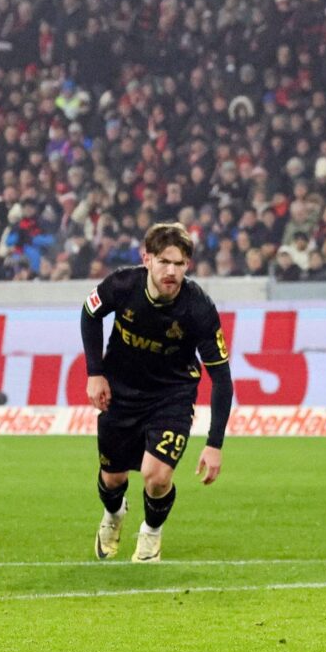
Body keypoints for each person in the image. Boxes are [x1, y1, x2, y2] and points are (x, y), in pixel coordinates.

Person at [80, 222, 235, 563]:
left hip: (171, 397)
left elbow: (222, 377)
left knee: (157, 476)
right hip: (120, 393)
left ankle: (151, 533)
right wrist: (95, 373)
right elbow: (90, 313)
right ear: (146, 259)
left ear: (188, 265)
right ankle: (114, 514)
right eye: (164, 261)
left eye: (179, 264)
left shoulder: (198, 308)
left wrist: (214, 444)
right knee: (112, 479)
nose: (171, 271)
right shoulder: (122, 285)